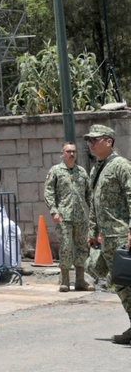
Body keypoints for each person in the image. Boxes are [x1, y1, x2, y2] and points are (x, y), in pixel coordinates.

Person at [84, 124, 131, 344]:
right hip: (107, 238)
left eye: (96, 140)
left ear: (109, 142)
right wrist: (92, 231)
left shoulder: (121, 166)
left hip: (122, 237)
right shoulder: (97, 168)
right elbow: (94, 203)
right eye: (90, 141)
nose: (91, 144)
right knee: (120, 284)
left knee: (126, 283)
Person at [44, 142, 91, 292]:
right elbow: (49, 192)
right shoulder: (56, 171)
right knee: (66, 247)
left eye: (74, 152)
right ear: (63, 153)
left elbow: (88, 194)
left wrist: (91, 214)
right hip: (64, 216)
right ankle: (64, 280)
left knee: (82, 247)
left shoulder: (82, 172)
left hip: (81, 217)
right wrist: (54, 211)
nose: (71, 154)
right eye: (68, 151)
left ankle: (80, 280)